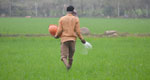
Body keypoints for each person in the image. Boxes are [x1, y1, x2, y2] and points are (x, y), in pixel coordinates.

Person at [54, 5, 86, 70]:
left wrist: (56, 36)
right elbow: (78, 31)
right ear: (73, 11)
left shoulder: (62, 19)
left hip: (64, 40)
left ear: (67, 11)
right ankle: (69, 69)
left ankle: (67, 66)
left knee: (63, 57)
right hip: (73, 40)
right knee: (71, 57)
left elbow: (59, 30)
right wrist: (82, 39)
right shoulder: (76, 19)